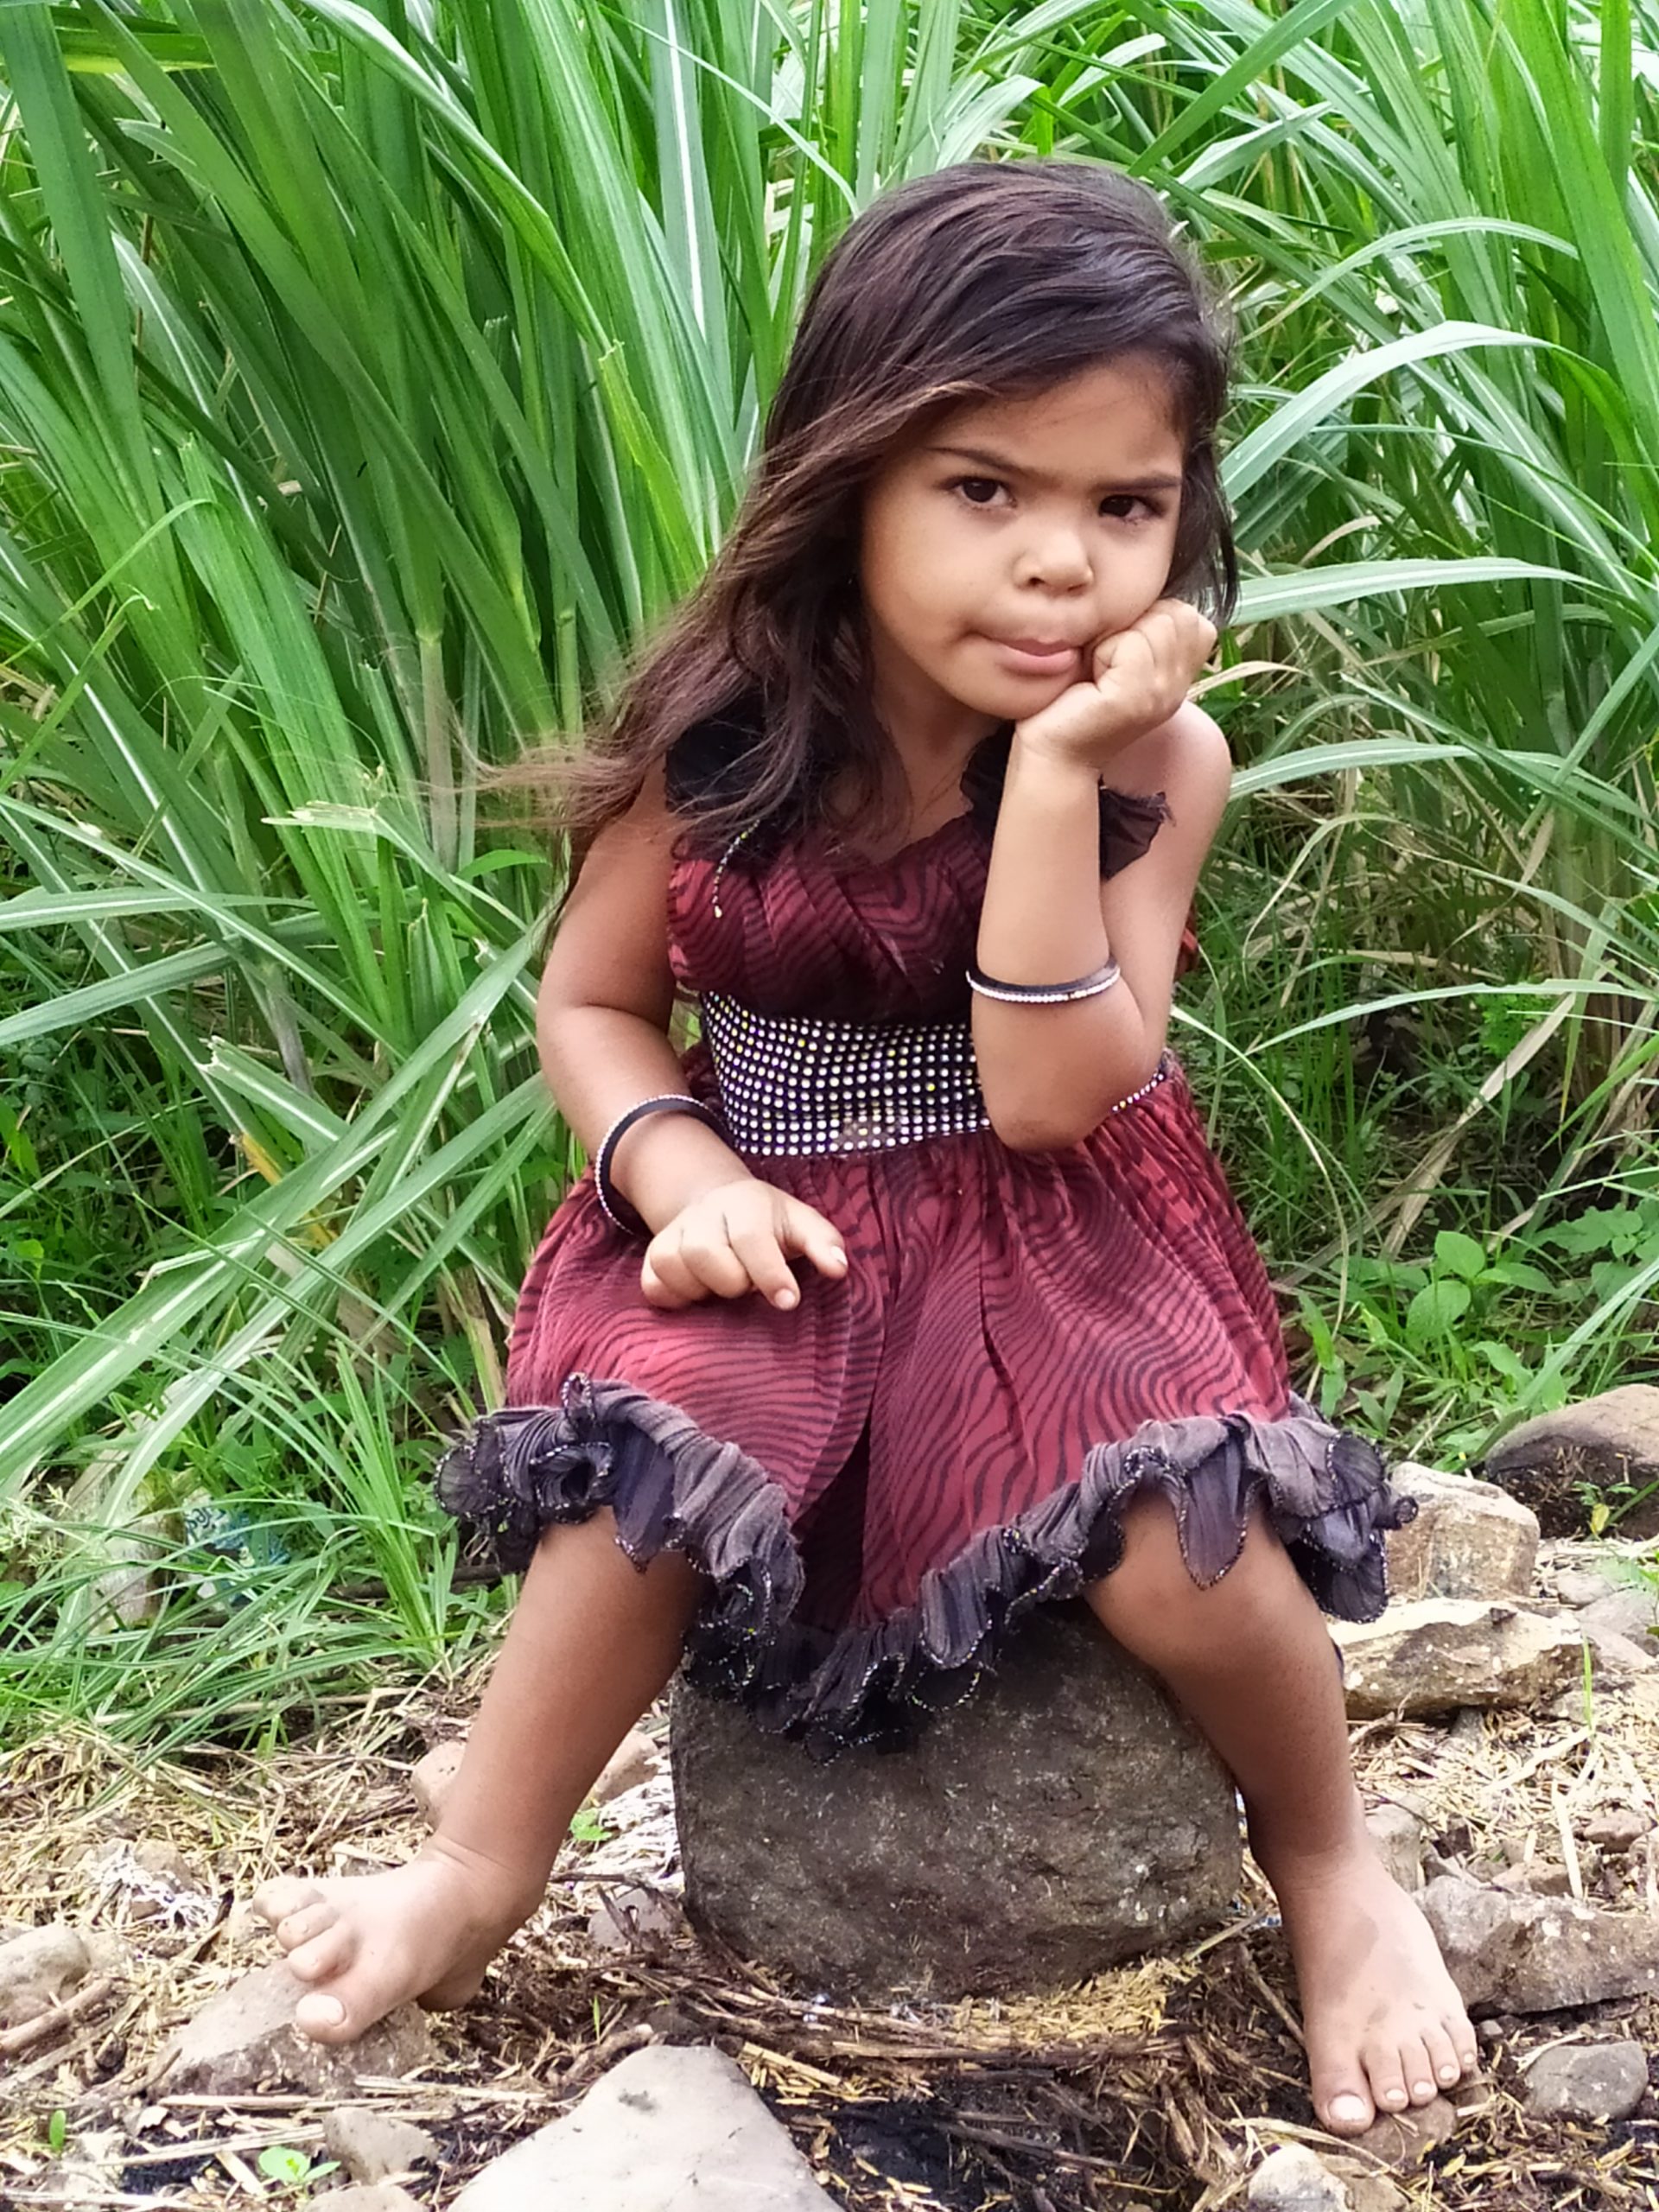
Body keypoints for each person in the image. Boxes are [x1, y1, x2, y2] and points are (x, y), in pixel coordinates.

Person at [253, 156, 1478, 2137]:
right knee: (661, 1454)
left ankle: (1330, 1856)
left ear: (1187, 516)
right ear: (853, 481)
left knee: (1176, 1547)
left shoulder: (1158, 757)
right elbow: (593, 1001)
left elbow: (1055, 1091)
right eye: (983, 490)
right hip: (771, 1211)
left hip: (1052, 1227)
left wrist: (1065, 775)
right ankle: (479, 1859)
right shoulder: (729, 733)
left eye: (1126, 505)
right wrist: (679, 1176)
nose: (1063, 563)